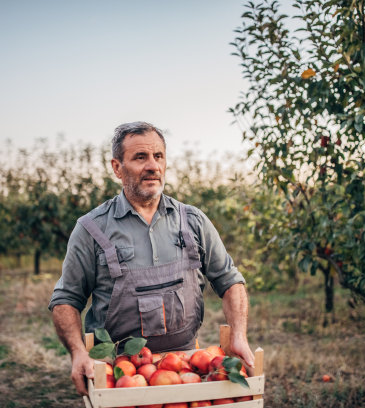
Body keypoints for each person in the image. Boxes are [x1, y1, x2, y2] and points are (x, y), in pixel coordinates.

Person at [49, 121, 254, 395]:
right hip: (115, 371)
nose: (153, 166)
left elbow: (230, 281)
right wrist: (77, 352)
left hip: (185, 367)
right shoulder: (92, 229)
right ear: (117, 168)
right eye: (140, 157)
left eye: (158, 156)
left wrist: (238, 335)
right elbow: (66, 299)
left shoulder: (192, 221)